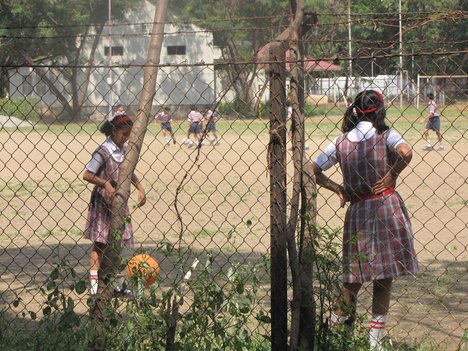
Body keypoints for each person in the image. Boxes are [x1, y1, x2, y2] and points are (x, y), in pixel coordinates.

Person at [309, 90, 419, 350]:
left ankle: (331, 334)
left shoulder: (340, 142)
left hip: (358, 211)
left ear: (355, 110)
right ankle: (375, 343)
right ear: (380, 110)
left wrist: (337, 187)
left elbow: (312, 168)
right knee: (384, 277)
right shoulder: (387, 136)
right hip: (386, 208)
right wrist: (392, 174)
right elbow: (405, 152)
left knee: (353, 280)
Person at [83, 113, 146, 297]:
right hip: (103, 202)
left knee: (117, 244)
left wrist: (140, 187)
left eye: (128, 135)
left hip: (119, 202)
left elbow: (129, 171)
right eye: (123, 134)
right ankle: (94, 285)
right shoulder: (103, 151)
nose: (125, 138)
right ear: (113, 131)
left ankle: (119, 284)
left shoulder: (124, 150)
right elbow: (87, 174)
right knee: (100, 244)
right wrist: (105, 183)